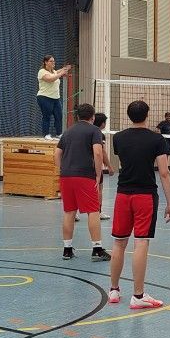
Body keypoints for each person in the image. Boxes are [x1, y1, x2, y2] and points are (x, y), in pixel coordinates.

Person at [109, 100, 170, 309]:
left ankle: (114, 290)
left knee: (119, 242)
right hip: (145, 196)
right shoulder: (157, 139)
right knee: (141, 242)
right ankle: (138, 296)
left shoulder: (118, 138)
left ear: (129, 115)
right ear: (147, 115)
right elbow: (164, 172)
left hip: (122, 195)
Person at [56, 103, 111, 262]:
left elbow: (57, 154)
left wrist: (63, 170)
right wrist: (98, 175)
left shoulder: (67, 132)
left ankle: (67, 250)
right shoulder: (94, 130)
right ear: (92, 117)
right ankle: (97, 249)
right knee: (93, 211)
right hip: (85, 176)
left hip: (66, 176)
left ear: (77, 116)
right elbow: (98, 153)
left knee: (69, 212)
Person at [37, 55, 72, 140]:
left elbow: (60, 71)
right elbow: (51, 79)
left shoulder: (54, 72)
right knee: (47, 116)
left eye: (54, 61)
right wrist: (61, 73)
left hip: (55, 98)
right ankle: (46, 134)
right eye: (51, 61)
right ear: (46, 62)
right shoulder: (42, 71)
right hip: (44, 97)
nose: (53, 63)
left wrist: (66, 68)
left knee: (59, 116)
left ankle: (59, 133)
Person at [93, 112, 112, 221]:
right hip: (95, 166)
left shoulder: (86, 132)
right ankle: (98, 212)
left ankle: (75, 213)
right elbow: (102, 152)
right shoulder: (99, 134)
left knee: (81, 189)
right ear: (102, 123)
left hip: (82, 166)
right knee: (99, 188)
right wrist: (109, 166)